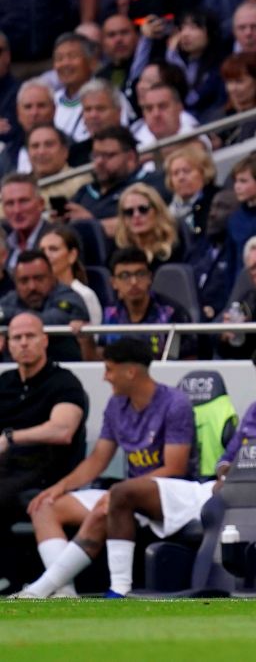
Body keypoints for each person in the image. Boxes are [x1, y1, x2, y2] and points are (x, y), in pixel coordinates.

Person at [102, 340, 256, 597]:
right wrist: (228, 470)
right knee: (125, 492)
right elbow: (226, 457)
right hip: (233, 487)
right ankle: (119, 588)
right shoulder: (254, 411)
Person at [12, 338, 194, 599]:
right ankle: (64, 592)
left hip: (166, 496)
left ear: (130, 372)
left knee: (105, 508)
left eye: (109, 369)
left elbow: (174, 468)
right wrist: (57, 488)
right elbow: (98, 459)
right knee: (44, 506)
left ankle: (42, 589)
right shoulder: (115, 405)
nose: (105, 378)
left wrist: (123, 492)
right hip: (126, 494)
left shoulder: (175, 403)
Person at [0, 312, 86, 591]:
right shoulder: (4, 383)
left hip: (48, 473)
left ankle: (20, 581)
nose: (24, 343)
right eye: (17, 337)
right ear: (8, 344)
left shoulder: (64, 382)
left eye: (30, 336)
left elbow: (62, 430)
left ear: (45, 340)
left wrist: (11, 438)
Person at [66, 126, 165, 238]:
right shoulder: (85, 191)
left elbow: (153, 221)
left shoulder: (152, 182)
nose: (99, 162)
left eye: (108, 155)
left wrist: (91, 224)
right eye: (95, 156)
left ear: (130, 158)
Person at [99, 247, 195, 360]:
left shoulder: (171, 313)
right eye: (125, 276)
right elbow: (102, 356)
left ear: (150, 277)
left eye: (140, 274)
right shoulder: (109, 313)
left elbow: (188, 360)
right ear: (113, 283)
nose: (134, 282)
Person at [0, 250, 89, 362]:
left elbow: (52, 320)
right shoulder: (10, 300)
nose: (32, 287)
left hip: (64, 370)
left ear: (52, 277)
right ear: (15, 283)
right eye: (24, 281)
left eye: (39, 279)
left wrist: (6, 315)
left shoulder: (68, 297)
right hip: (15, 373)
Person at [186, 189, 239, 324]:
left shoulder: (238, 254)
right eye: (212, 207)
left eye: (222, 207)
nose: (212, 214)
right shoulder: (197, 250)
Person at [39, 225, 102, 327]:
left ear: (72, 255)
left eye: (53, 249)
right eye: (42, 251)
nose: (46, 256)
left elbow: (93, 337)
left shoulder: (85, 295)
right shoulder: (37, 294)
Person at [114, 183, 184, 271]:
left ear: (157, 211)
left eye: (143, 209)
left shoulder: (178, 246)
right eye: (129, 212)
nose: (136, 215)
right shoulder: (118, 253)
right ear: (123, 219)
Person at [52, 33, 100, 143]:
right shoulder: (51, 100)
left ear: (91, 62)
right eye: (59, 58)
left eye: (72, 56)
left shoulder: (107, 97)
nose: (65, 63)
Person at [165, 144, 219, 241]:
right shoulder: (167, 213)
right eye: (175, 173)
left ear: (204, 172)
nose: (181, 178)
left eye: (186, 171)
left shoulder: (218, 200)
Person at [67, 79, 126, 167]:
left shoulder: (136, 145)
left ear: (118, 112)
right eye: (88, 109)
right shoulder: (74, 154)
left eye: (100, 109)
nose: (93, 115)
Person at [26, 125, 90, 203]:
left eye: (49, 145)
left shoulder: (82, 182)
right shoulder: (18, 187)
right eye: (35, 146)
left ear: (65, 151)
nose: (41, 152)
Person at [2, 173, 53, 272]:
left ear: (41, 204)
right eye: (10, 203)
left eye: (24, 201)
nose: (17, 210)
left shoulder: (58, 239)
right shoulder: (4, 242)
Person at [98, 15, 139, 96]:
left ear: (136, 36)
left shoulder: (148, 69)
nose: (118, 39)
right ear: (103, 42)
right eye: (111, 35)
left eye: (124, 32)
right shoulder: (99, 79)